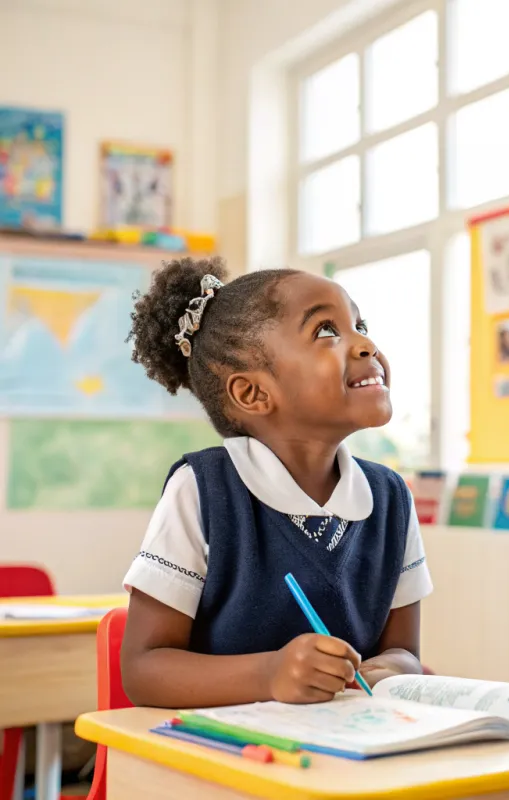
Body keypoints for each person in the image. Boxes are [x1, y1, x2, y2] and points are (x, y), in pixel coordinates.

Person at [120, 257, 432, 708]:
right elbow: (143, 670)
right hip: (227, 758)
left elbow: (403, 651)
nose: (365, 343)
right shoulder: (203, 491)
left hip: (349, 754)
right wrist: (269, 674)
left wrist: (399, 668)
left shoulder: (390, 498)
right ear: (253, 393)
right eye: (327, 331)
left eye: (361, 324)